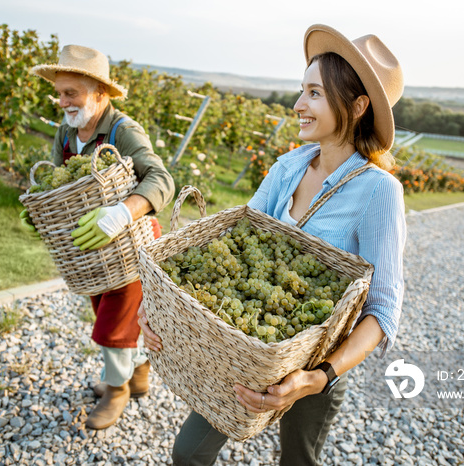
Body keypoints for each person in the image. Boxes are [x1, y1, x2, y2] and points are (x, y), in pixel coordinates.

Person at [138, 24, 406, 465]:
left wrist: (317, 378)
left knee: (297, 460)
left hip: (315, 363)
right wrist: (158, 307)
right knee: (188, 454)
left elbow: (383, 309)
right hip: (247, 353)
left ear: (357, 106)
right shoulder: (288, 167)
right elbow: (231, 245)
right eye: (302, 90)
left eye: (315, 93)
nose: (299, 105)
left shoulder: (379, 192)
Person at [27, 45, 175, 430]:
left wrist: (122, 212)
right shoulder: (66, 132)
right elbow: (58, 185)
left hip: (129, 245)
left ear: (100, 92)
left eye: (71, 92)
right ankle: (139, 374)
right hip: (92, 249)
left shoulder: (122, 131)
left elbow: (162, 180)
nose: (63, 101)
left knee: (113, 324)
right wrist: (41, 211)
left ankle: (116, 390)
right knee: (110, 313)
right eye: (59, 93)